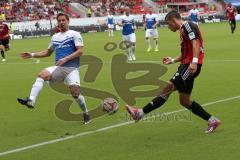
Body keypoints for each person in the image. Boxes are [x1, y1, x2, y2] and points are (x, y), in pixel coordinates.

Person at [125, 10, 221, 134]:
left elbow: (196, 43)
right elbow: (186, 53)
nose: (169, 27)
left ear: (173, 20)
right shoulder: (182, 31)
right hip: (186, 65)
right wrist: (172, 60)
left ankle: (140, 113)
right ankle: (212, 120)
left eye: (168, 24)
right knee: (184, 101)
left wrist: (195, 62)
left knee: (168, 87)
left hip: (189, 66)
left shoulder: (188, 26)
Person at [17, 13, 90, 124]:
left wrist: (65, 59)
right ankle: (31, 100)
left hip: (71, 68)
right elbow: (48, 53)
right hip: (59, 68)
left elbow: (80, 51)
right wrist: (32, 54)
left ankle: (85, 112)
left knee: (75, 94)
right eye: (59, 21)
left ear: (68, 21)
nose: (61, 22)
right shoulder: (55, 37)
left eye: (63, 20)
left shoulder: (74, 34)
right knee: (41, 75)